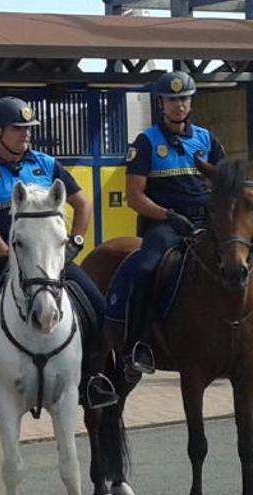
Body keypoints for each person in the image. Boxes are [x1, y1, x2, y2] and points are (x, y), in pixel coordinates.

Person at [0, 96, 118, 410]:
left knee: (95, 301)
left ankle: (94, 376)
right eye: (18, 128)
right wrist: (5, 253)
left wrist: (75, 242)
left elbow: (82, 204)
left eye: (28, 128)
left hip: (48, 259)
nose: (26, 134)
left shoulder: (47, 164)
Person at [123, 71, 225, 375]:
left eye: (183, 98)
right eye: (172, 100)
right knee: (144, 270)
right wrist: (167, 216)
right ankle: (135, 347)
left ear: (191, 102)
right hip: (165, 223)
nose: (178, 105)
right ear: (162, 104)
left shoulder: (207, 139)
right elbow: (134, 197)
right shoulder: (146, 142)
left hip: (206, 221)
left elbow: (224, 186)